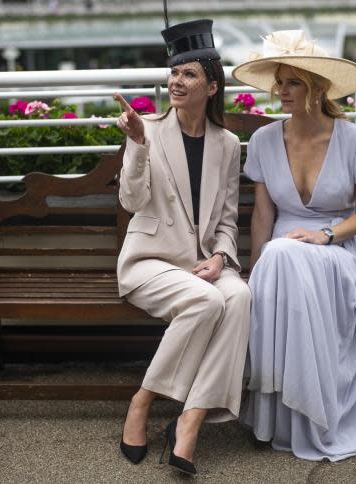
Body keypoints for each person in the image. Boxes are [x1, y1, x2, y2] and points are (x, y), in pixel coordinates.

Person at [232, 30, 356, 461]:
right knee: (278, 255)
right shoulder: (266, 140)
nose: (281, 91)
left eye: (293, 83)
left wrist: (323, 236)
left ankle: (304, 414)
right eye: (279, 82)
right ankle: (285, 415)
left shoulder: (355, 139)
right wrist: (253, 272)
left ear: (318, 88)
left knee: (284, 253)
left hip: (336, 250)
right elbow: (262, 214)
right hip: (279, 260)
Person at [115, 19, 250, 476]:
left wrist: (218, 258)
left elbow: (228, 218)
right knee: (208, 300)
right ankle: (144, 400)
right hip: (150, 262)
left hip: (202, 264)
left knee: (240, 295)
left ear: (212, 86)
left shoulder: (228, 144)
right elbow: (131, 201)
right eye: (173, 73)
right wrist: (135, 144)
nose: (176, 81)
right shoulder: (147, 129)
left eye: (189, 74)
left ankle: (190, 420)